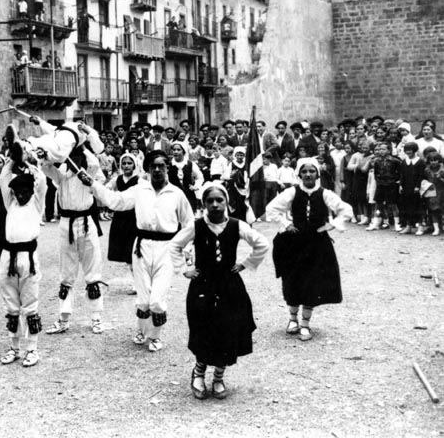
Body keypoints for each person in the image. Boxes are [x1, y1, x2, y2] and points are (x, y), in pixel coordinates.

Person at [84, 150, 194, 351]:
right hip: (142, 247)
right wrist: (93, 184)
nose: (158, 170)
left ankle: (155, 337)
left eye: (162, 166)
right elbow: (116, 201)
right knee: (143, 298)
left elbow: (189, 224)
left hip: (166, 249)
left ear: (167, 168)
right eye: (154, 166)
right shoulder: (139, 190)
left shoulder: (176, 194)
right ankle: (142, 331)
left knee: (157, 299)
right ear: (148, 169)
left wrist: (185, 249)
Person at [170, 181, 269, 399]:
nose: (215, 205)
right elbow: (175, 245)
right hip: (203, 285)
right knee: (203, 329)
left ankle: (218, 377)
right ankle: (198, 373)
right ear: (204, 204)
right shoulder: (196, 226)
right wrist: (185, 269)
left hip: (229, 286)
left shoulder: (237, 225)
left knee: (228, 329)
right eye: (210, 201)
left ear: (227, 202)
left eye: (219, 200)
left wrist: (245, 264)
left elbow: (262, 244)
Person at [266, 157, 353, 342]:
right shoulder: (292, 192)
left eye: (311, 171)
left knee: (312, 282)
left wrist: (331, 225)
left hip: (316, 245)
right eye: (304, 171)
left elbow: (346, 210)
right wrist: (286, 224)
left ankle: (305, 324)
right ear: (299, 174)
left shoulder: (325, 194)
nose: (308, 175)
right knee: (292, 279)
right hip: (295, 243)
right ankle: (292, 319)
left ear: (317, 174)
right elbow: (271, 208)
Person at [41, 144, 106, 335]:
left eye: (77, 156)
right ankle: (63, 319)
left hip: (86, 222)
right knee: (66, 273)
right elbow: (46, 167)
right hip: (66, 223)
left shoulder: (88, 173)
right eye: (72, 156)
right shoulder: (61, 174)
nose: (75, 159)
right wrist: (50, 154)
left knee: (92, 271)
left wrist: (82, 145)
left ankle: (96, 318)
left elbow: (94, 162)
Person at [0, 159, 47, 367]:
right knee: (11, 304)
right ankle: (14, 348)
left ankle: (32, 349)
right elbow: (3, 178)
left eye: (25, 191)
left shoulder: (37, 203)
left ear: (31, 191)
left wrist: (27, 160)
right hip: (8, 256)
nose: (21, 195)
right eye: (17, 192)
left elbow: (42, 181)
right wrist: (12, 161)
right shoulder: (11, 204)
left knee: (29, 304)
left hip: (28, 257)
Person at [105, 154, 140, 293]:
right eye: (124, 163)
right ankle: (136, 281)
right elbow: (106, 189)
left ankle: (139, 283)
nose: (126, 166)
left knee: (134, 251)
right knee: (126, 252)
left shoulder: (139, 180)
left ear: (134, 165)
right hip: (120, 217)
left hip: (134, 217)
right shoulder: (117, 179)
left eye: (129, 163)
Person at [368, 142, 401, 231]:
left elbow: (400, 172)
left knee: (393, 204)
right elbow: (376, 173)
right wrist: (379, 181)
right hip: (381, 185)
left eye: (383, 149)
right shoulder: (377, 161)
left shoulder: (395, 161)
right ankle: (375, 222)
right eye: (380, 149)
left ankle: (397, 223)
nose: (381, 151)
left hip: (391, 185)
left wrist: (395, 181)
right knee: (378, 204)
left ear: (389, 150)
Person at [168, 142, 204, 216]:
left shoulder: (190, 164)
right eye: (174, 150)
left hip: (188, 195)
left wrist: (196, 186)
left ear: (184, 151)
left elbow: (200, 177)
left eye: (178, 150)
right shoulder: (169, 164)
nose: (175, 152)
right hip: (173, 195)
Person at [399, 142, 425, 235]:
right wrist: (400, 185)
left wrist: (418, 186)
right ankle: (408, 226)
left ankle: (420, 227)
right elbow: (402, 174)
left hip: (416, 188)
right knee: (407, 206)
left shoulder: (420, 162)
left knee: (418, 207)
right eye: (406, 150)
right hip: (406, 187)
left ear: (414, 150)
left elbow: (421, 175)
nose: (408, 152)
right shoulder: (404, 161)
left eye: (410, 150)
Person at [422, 152, 444, 236]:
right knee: (433, 209)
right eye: (431, 160)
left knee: (442, 209)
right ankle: (436, 228)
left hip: (442, 190)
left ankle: (441, 226)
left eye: (435, 160)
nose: (433, 162)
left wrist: (441, 178)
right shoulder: (426, 170)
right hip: (431, 192)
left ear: (439, 160)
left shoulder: (442, 170)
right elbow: (423, 180)